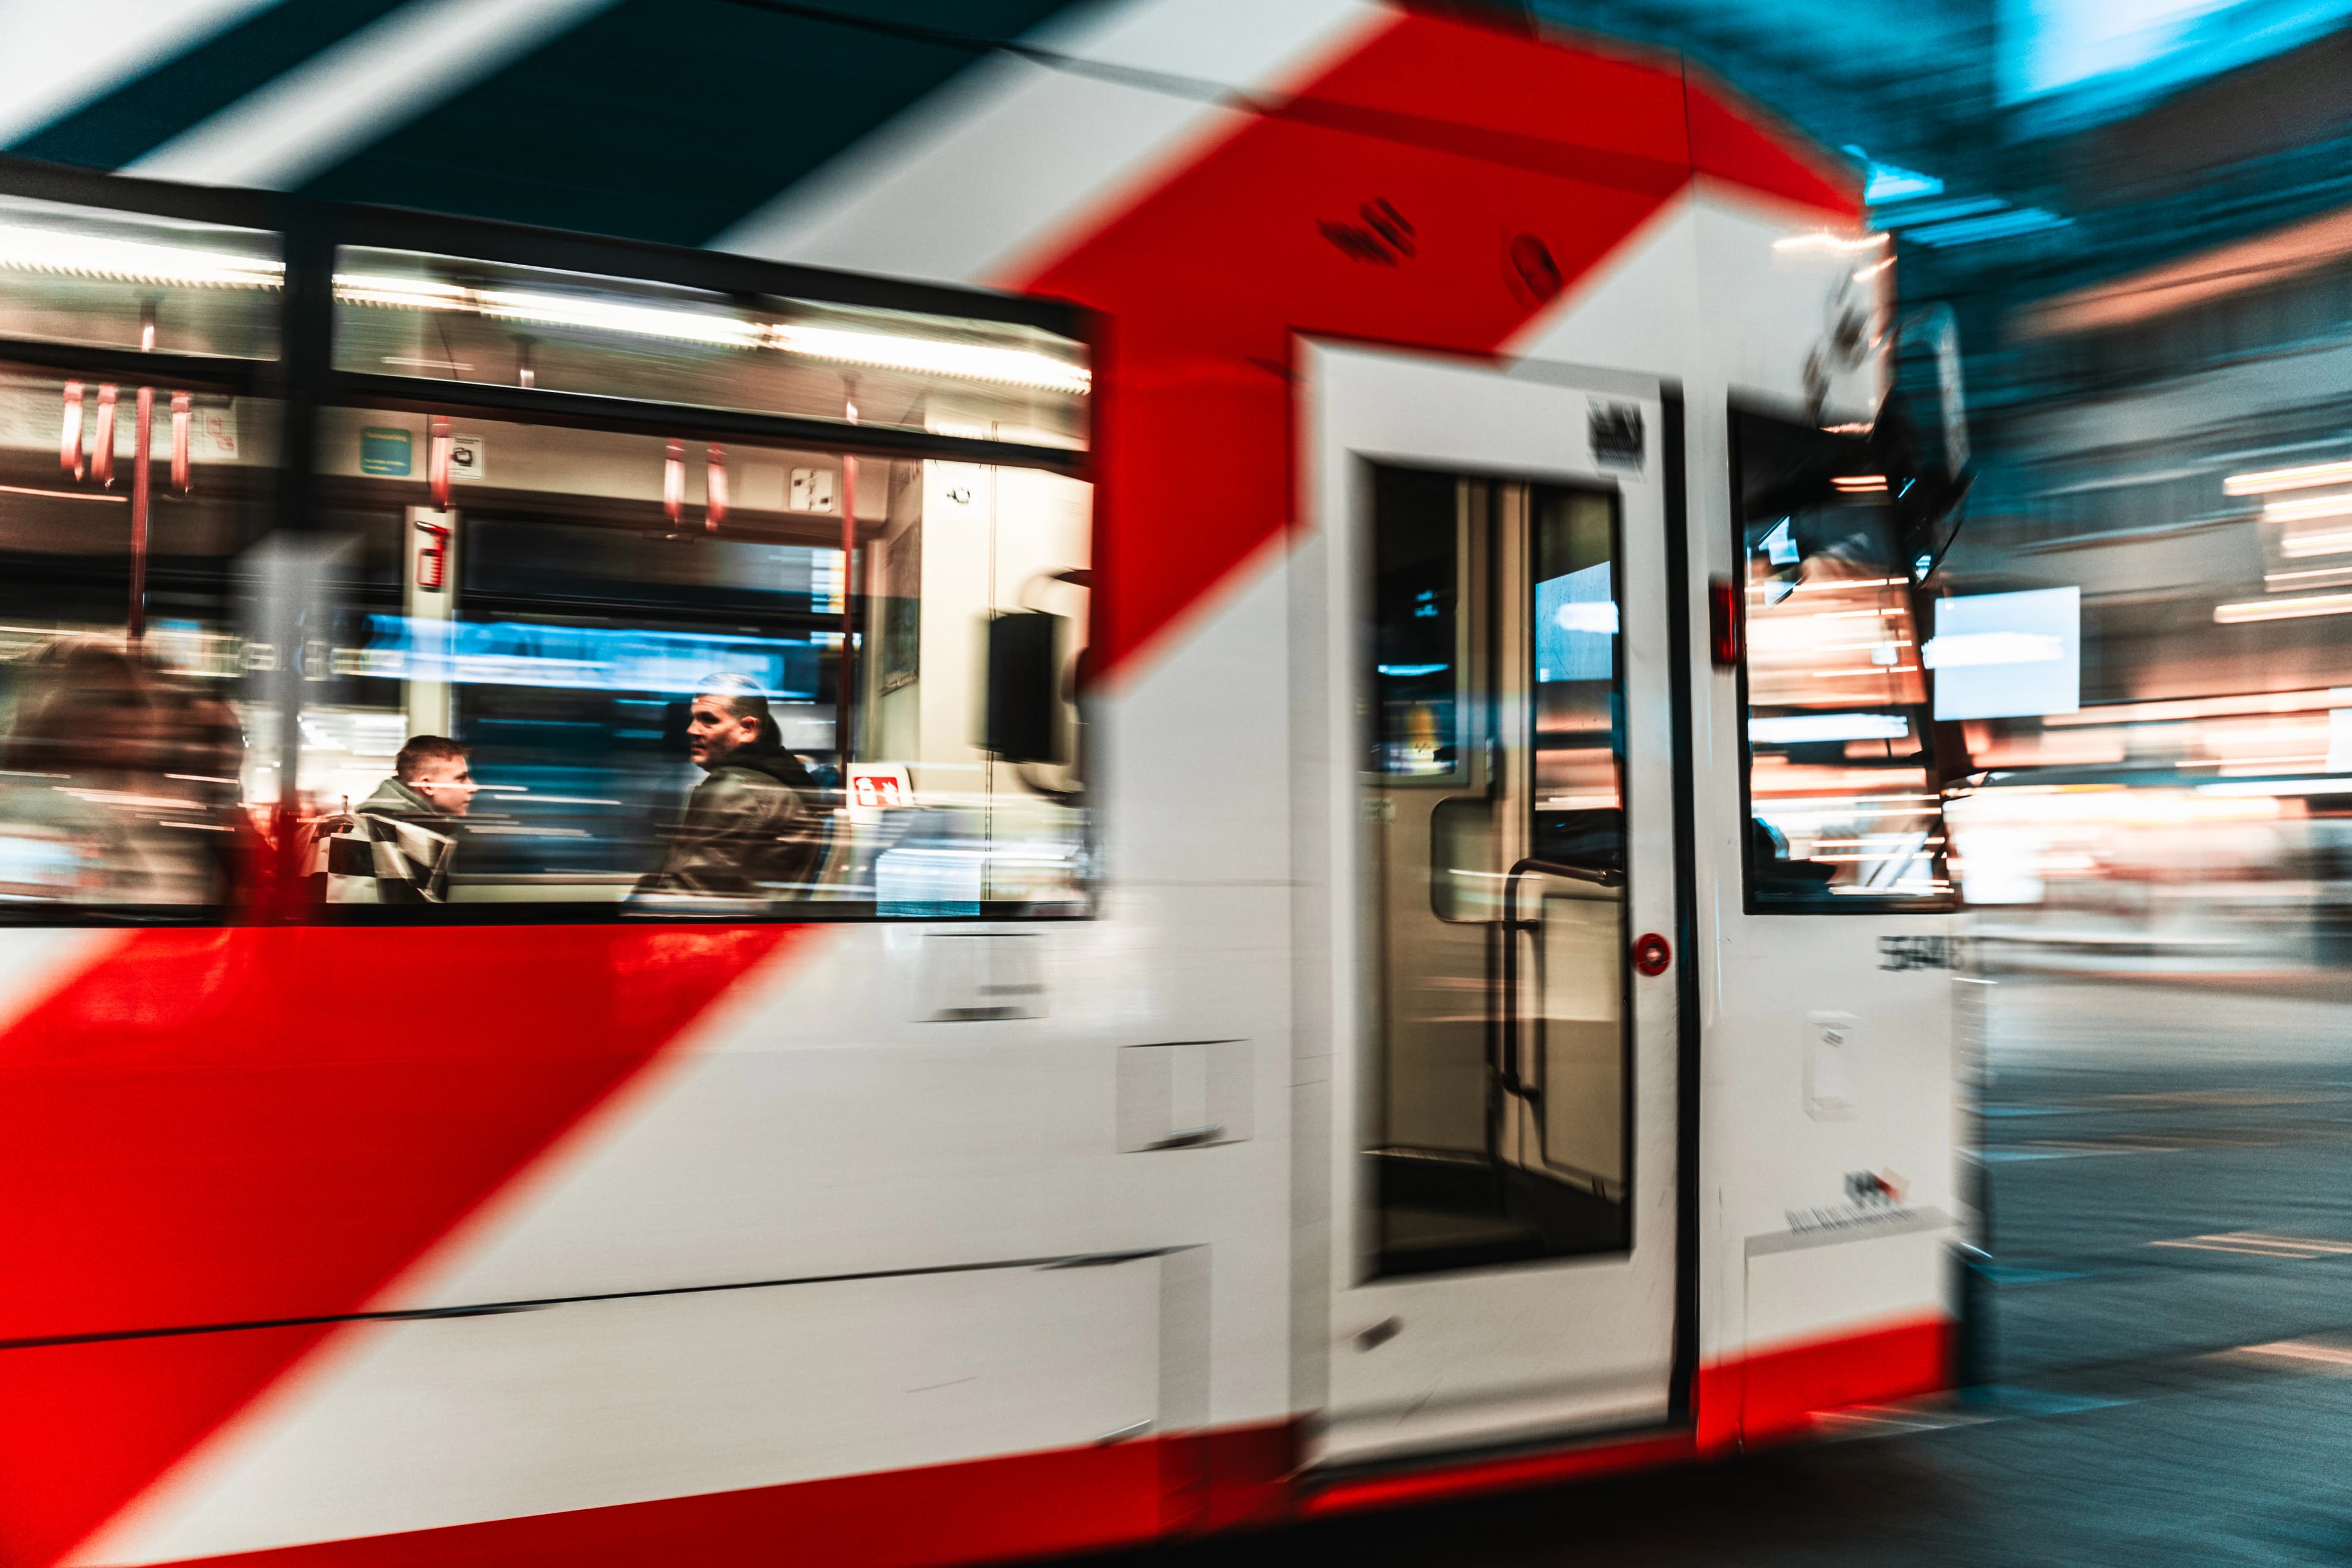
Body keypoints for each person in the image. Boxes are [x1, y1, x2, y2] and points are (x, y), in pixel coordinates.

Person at [636, 674, 824, 900]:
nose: (692, 730)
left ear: (747, 728)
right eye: (694, 719)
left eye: (709, 720)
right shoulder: (775, 781)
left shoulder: (736, 787)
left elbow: (689, 896)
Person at [305, 735, 475, 903]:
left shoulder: (410, 831)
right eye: (461, 778)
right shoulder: (374, 836)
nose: (472, 787)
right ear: (428, 786)